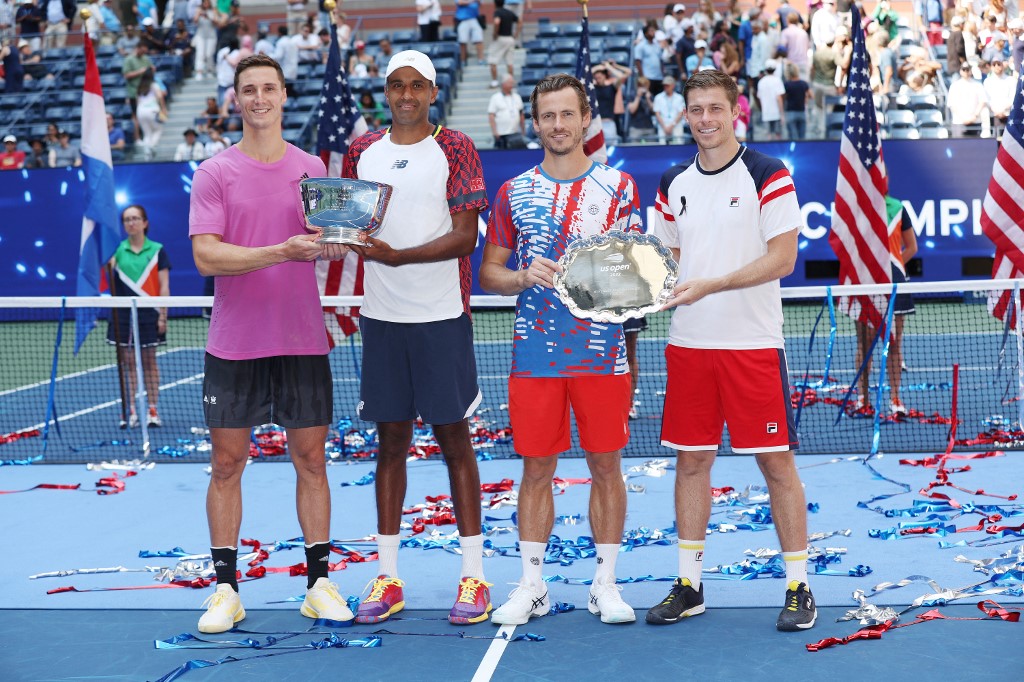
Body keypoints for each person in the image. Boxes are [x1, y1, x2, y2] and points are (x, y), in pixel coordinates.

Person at [645, 69, 816, 632]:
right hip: (689, 345)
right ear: (686, 114)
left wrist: (712, 283)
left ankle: (799, 586)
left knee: (775, 465)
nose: (705, 120)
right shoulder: (672, 182)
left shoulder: (770, 174)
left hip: (751, 346)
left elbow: (783, 259)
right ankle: (690, 585)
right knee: (691, 463)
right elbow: (661, 265)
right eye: (696, 109)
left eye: (715, 108)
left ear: (735, 111)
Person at [188, 53, 351, 634]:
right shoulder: (214, 174)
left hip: (302, 339)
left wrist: (332, 247)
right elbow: (206, 255)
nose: (259, 98)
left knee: (311, 460)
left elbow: (333, 241)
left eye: (269, 89)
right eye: (249, 89)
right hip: (233, 344)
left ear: (285, 96)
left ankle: (319, 584)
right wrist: (280, 251)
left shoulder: (312, 170)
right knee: (227, 464)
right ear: (236, 99)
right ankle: (226, 590)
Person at [479, 72, 642, 626]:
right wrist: (525, 276)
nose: (557, 125)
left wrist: (590, 280)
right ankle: (531, 586)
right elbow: (489, 274)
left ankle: (606, 583)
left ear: (585, 119)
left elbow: (636, 281)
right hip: (535, 357)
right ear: (535, 123)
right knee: (536, 470)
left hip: (602, 356)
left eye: (566, 114)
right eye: (547, 116)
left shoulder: (620, 189)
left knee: (606, 466)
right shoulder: (513, 192)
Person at [342, 49, 490, 626]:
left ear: (433, 92)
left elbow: (464, 238)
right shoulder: (360, 151)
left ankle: (474, 576)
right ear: (385, 92)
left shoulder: (454, 148)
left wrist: (396, 257)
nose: (406, 95)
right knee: (390, 446)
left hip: (441, 316)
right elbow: (352, 226)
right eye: (396, 86)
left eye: (417, 86)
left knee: (456, 445)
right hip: (381, 319)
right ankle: (387, 575)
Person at [106, 204, 170, 429]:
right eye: (126, 219)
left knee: (150, 362)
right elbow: (105, 283)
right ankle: (130, 410)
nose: (131, 223)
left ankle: (153, 410)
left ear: (145, 223)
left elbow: (164, 286)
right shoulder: (116, 252)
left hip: (148, 313)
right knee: (128, 363)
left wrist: (163, 315)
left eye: (135, 218)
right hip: (122, 314)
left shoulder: (157, 250)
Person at [854, 195, 917, 416]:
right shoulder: (857, 206)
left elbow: (911, 247)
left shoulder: (898, 208)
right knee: (865, 344)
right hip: (864, 285)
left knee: (894, 344)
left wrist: (893, 268)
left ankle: (895, 399)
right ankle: (862, 398)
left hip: (895, 286)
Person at [488, 73, 525, 148]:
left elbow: (521, 114)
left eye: (512, 83)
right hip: (501, 134)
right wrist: (495, 132)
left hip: (515, 133)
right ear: (503, 84)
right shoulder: (495, 98)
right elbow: (491, 116)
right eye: (510, 83)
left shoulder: (517, 97)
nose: (512, 85)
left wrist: (523, 130)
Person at [135, 74, 167, 159]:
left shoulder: (139, 87)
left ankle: (147, 153)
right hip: (153, 110)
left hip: (140, 111)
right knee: (158, 129)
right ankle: (152, 146)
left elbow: (137, 101)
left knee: (147, 133)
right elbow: (160, 97)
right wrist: (163, 109)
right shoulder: (154, 85)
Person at [488, 0, 516, 88]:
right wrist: (517, 34)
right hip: (510, 38)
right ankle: (511, 81)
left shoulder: (497, 12)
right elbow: (519, 20)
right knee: (510, 62)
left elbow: (497, 22)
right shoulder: (509, 12)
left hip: (501, 38)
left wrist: (495, 33)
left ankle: (494, 82)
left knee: (493, 61)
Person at [781, 63, 810, 140]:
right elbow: (811, 95)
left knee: (792, 138)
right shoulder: (803, 83)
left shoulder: (787, 85)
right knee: (802, 138)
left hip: (791, 112)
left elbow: (783, 97)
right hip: (801, 112)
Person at [757, 58, 784, 140]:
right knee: (777, 136)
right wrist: (782, 114)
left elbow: (760, 98)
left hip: (766, 113)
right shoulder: (777, 80)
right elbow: (779, 98)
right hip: (776, 113)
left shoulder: (761, 82)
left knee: (768, 136)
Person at [653, 74, 686, 143]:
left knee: (678, 145)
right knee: (662, 146)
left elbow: (681, 113)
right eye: (664, 85)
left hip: (676, 125)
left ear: (673, 86)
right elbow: (657, 113)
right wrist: (664, 127)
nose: (666, 87)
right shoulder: (658, 97)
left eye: (667, 85)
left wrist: (672, 125)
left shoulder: (679, 98)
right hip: (663, 125)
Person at [626, 75, 657, 141]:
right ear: (637, 86)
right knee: (634, 150)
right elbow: (632, 110)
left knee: (652, 149)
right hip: (636, 127)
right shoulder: (632, 95)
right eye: (640, 85)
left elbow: (654, 111)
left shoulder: (650, 96)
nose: (643, 87)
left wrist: (648, 99)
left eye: (644, 85)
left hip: (649, 127)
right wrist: (638, 96)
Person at [455, 0, 484, 65]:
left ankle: (481, 60)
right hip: (463, 19)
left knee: (479, 40)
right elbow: (460, 2)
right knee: (462, 42)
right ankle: (463, 61)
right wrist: (472, 1)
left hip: (474, 18)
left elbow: (480, 3)